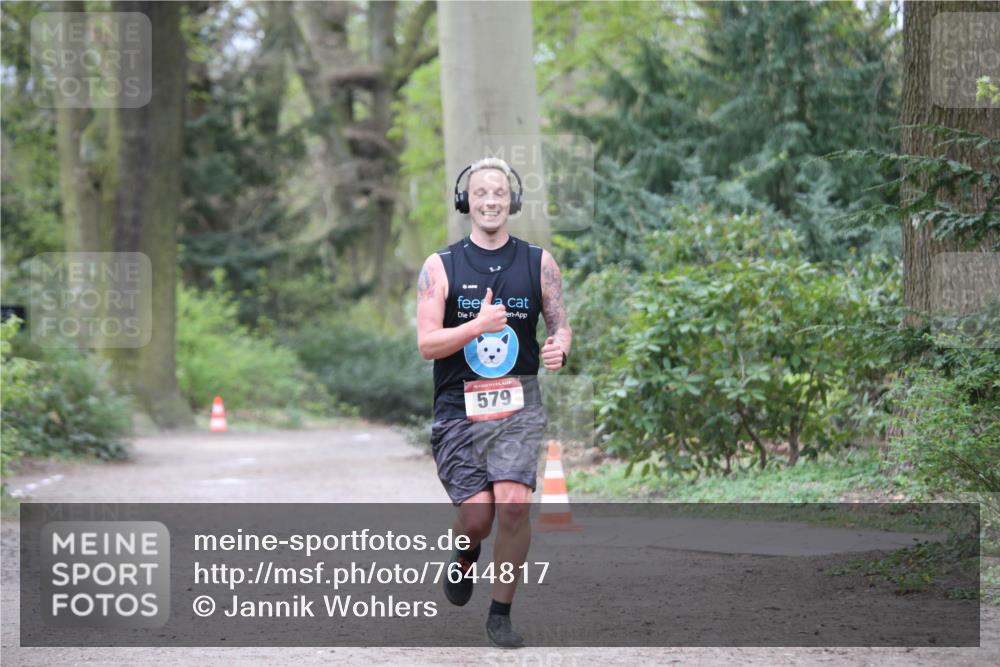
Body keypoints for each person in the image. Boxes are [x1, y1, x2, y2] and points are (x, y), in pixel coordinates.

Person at [416, 157, 572, 648]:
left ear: (512, 202)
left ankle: (500, 613)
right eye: (481, 192)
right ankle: (465, 556)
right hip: (458, 407)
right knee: (478, 517)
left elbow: (560, 324)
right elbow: (427, 345)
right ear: (466, 201)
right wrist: (474, 328)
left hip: (518, 405)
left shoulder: (538, 262)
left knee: (512, 508)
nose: (490, 201)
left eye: (500, 193)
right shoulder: (440, 267)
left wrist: (559, 346)